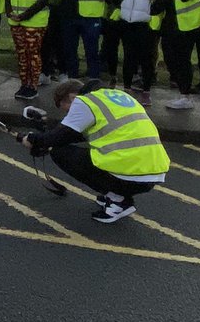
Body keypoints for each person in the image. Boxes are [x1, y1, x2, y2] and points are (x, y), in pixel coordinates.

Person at [19, 80, 170, 224]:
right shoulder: (118, 97)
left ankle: (118, 201)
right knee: (81, 151)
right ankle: (117, 194)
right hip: (153, 172)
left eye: (65, 109)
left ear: (72, 97)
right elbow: (73, 134)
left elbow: (61, 136)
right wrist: (45, 137)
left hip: (129, 175)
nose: (67, 116)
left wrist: (33, 139)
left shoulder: (84, 102)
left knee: (60, 153)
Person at [112, 0, 169, 107]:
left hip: (146, 24)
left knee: (147, 59)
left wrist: (148, 11)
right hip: (127, 22)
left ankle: (146, 91)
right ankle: (127, 87)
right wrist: (122, 7)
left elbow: (162, 1)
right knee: (129, 57)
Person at [5, 0, 51, 100]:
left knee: (33, 54)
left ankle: (33, 85)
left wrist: (24, 15)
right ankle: (24, 84)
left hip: (34, 22)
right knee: (21, 54)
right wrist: (9, 12)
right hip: (15, 22)